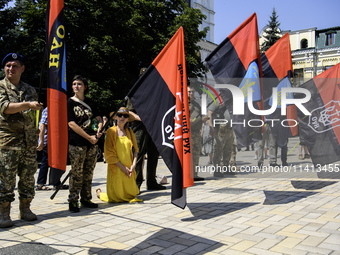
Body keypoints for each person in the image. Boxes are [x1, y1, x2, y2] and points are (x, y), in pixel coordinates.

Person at [0, 53, 42, 228]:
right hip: (8, 142)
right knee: (6, 179)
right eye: (8, 65)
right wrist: (28, 105)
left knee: (28, 178)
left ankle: (25, 209)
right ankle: (3, 213)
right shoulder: (1, 87)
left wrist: (38, 134)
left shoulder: (30, 90)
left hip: (28, 142)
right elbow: (4, 107)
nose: (11, 68)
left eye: (15, 65)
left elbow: (34, 116)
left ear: (22, 69)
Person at [67, 75, 103, 213]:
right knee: (77, 172)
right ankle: (73, 200)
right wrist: (89, 137)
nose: (76, 86)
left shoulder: (91, 102)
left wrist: (99, 129)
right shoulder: (69, 103)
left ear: (85, 87)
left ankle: (86, 198)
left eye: (80, 84)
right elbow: (71, 124)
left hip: (93, 143)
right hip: (77, 143)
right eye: (74, 84)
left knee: (88, 172)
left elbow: (99, 119)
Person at [126, 68, 166, 190]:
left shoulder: (156, 93)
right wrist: (142, 119)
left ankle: (151, 181)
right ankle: (136, 182)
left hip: (153, 128)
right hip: (140, 128)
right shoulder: (136, 92)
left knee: (153, 155)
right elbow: (129, 113)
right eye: (143, 76)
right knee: (138, 155)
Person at [96, 107, 142, 203]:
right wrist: (122, 167)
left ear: (128, 119)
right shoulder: (110, 132)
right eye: (119, 115)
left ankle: (100, 193)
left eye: (125, 116)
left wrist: (133, 165)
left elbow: (136, 150)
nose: (122, 117)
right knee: (115, 198)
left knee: (132, 195)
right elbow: (109, 154)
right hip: (117, 168)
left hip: (128, 168)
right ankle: (100, 194)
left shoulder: (130, 132)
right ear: (116, 117)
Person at [36, 107, 69, 191]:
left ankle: (56, 182)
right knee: (45, 161)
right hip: (49, 140)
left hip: (56, 140)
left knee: (57, 161)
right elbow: (42, 125)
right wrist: (41, 141)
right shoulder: (49, 109)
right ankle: (40, 183)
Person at [207, 91, 237, 177]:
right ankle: (217, 170)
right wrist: (211, 127)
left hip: (229, 128)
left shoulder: (230, 100)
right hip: (220, 128)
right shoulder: (218, 100)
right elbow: (209, 113)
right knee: (218, 149)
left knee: (228, 149)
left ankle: (226, 168)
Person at [188, 85, 206, 181]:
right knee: (188, 155)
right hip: (188, 133)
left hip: (196, 133)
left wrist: (203, 122)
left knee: (196, 153)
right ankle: (187, 175)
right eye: (189, 92)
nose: (191, 93)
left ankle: (195, 174)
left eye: (192, 92)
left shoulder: (196, 104)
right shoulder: (183, 104)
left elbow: (200, 117)